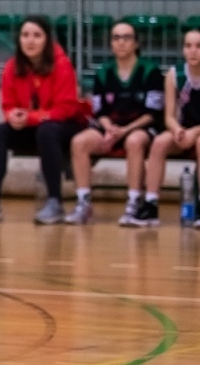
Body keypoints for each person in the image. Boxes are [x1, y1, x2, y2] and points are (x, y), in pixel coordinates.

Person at [0, 15, 87, 225]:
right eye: (25, 35)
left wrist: (31, 117)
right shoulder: (12, 67)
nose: (30, 41)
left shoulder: (62, 65)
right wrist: (11, 115)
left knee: (47, 130)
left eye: (37, 35)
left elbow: (65, 108)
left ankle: (54, 202)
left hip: (67, 125)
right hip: (34, 125)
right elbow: (8, 103)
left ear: (47, 40)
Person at [63, 19, 163, 225]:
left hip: (140, 128)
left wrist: (124, 130)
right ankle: (83, 202)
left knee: (134, 142)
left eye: (126, 38)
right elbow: (99, 111)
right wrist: (109, 128)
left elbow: (152, 113)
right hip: (111, 128)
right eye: (116, 38)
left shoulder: (150, 71)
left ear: (136, 43)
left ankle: (134, 202)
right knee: (79, 142)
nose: (121, 42)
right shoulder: (103, 73)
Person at [133, 27, 200, 229]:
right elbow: (168, 115)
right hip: (184, 130)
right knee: (159, 142)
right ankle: (150, 203)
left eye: (199, 46)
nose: (193, 51)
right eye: (188, 46)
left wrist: (195, 132)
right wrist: (177, 130)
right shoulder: (174, 75)